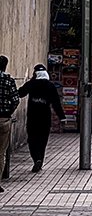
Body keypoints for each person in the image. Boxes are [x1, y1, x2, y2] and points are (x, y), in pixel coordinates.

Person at [17, 65, 64, 172]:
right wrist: (62, 117)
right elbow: (56, 103)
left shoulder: (31, 84)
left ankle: (36, 159)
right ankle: (40, 160)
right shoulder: (50, 86)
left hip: (32, 118)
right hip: (45, 118)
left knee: (32, 140)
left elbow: (20, 93)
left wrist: (30, 81)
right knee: (42, 141)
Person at [0, 55, 20, 186]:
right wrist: (9, 112)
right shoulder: (8, 81)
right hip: (4, 118)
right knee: (1, 152)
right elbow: (15, 100)